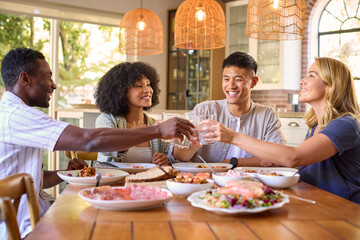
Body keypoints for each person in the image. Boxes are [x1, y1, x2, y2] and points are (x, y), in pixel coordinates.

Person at [0, 48, 194, 238]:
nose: (54, 85)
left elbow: (32, 177)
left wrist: (64, 174)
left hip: (39, 215)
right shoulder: (17, 115)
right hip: (26, 228)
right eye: (48, 77)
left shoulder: (15, 113)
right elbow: (90, 140)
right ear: (25, 79)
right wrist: (158, 131)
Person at [202, 57, 360, 203]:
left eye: (311, 75)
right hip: (315, 200)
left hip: (343, 208)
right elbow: (291, 164)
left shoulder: (346, 125)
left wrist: (232, 137)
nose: (302, 81)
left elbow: (293, 157)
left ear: (331, 85)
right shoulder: (315, 126)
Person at [169, 52, 284, 165]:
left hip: (250, 181)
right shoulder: (204, 110)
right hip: (206, 180)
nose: (231, 85)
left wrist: (231, 163)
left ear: (253, 82)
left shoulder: (267, 115)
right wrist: (193, 147)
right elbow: (177, 156)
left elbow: (278, 158)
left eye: (238, 79)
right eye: (226, 79)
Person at [94, 62, 169, 166]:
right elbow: (108, 146)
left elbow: (171, 155)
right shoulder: (107, 119)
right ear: (121, 91)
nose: (148, 90)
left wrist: (164, 161)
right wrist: (151, 132)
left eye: (148, 84)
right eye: (138, 85)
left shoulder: (152, 123)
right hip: (111, 180)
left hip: (145, 182)